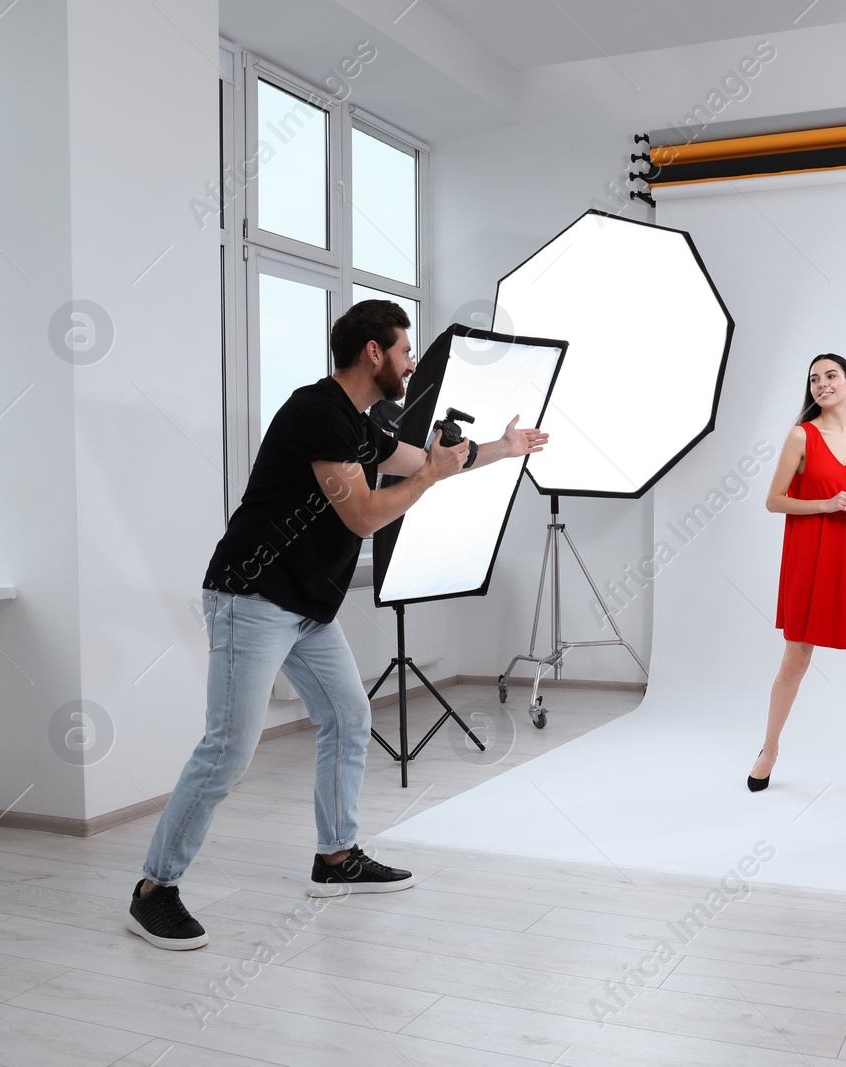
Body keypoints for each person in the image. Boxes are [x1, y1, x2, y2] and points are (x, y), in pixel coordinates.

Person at [128, 300, 548, 950]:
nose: (412, 362)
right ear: (373, 354)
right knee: (229, 749)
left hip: (305, 609)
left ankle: (335, 858)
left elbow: (422, 461)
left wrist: (503, 447)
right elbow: (363, 516)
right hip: (253, 596)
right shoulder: (316, 412)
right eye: (405, 350)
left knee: (350, 716)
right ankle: (155, 889)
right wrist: (432, 478)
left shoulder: (361, 424)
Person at [748, 353, 846, 799]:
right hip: (811, 555)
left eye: (831, 376)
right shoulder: (801, 436)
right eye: (814, 379)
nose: (821, 384)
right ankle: (769, 749)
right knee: (796, 658)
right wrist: (828, 504)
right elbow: (774, 501)